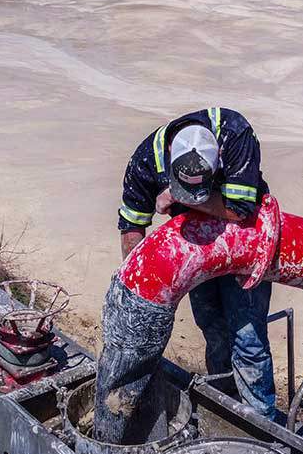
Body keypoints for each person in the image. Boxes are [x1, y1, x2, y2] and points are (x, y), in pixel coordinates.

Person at [117, 107, 277, 422]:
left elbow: (240, 210)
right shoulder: (146, 161)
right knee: (213, 330)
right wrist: (138, 291)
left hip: (244, 245)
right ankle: (227, 410)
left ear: (218, 155)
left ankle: (262, 426)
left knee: (248, 339)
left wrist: (183, 198)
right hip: (196, 250)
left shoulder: (235, 134)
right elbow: (131, 225)